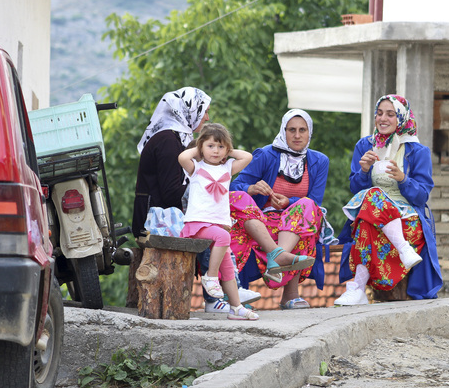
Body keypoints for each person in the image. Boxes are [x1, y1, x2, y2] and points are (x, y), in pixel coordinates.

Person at [131, 87, 260, 312]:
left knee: (218, 221)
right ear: (188, 110)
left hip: (165, 212)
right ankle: (214, 296)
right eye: (204, 111)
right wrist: (204, 185)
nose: (207, 117)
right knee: (210, 226)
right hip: (155, 218)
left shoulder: (175, 137)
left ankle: (230, 288)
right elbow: (172, 191)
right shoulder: (168, 141)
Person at [334, 94, 442, 306]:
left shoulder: (417, 151)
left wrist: (403, 179)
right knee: (371, 201)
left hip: (407, 221)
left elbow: (422, 197)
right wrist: (364, 171)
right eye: (379, 113)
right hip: (375, 217)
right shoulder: (365, 145)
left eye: (390, 114)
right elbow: (355, 189)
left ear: (401, 118)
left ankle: (357, 288)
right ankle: (402, 251)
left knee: (367, 216)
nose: (383, 118)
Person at [230, 109, 329, 309]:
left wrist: (288, 202)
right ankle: (276, 261)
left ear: (310, 132)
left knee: (308, 208)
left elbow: (315, 201)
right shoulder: (266, 154)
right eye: (291, 130)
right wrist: (252, 188)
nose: (297, 135)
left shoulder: (320, 161)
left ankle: (289, 294)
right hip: (263, 220)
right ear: (283, 131)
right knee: (240, 213)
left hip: (295, 220)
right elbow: (234, 187)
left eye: (303, 130)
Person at [178, 123, 258, 320]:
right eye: (211, 146)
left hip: (217, 226)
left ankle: (236, 307)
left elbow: (247, 156)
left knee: (229, 270)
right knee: (224, 237)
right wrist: (200, 147)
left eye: (220, 147)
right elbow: (182, 157)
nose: (216, 151)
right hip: (196, 225)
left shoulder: (228, 168)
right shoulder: (196, 168)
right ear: (201, 147)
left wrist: (228, 150)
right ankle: (211, 277)